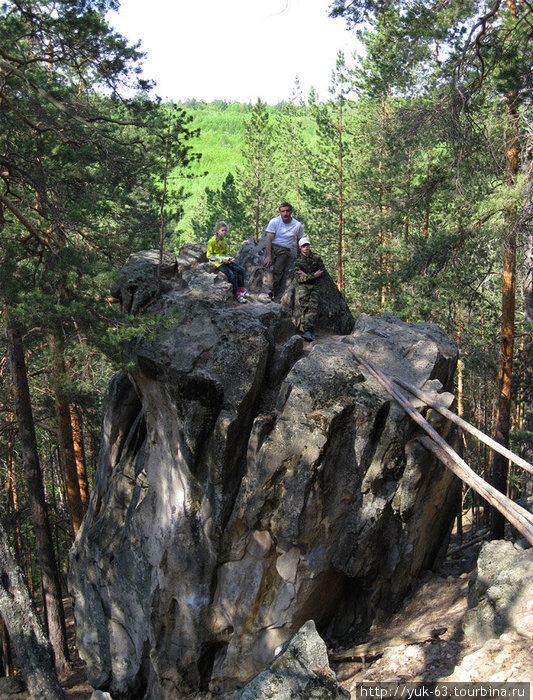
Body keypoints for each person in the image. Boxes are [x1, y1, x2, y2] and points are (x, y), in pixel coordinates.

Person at [263, 202, 304, 299]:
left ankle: (274, 292)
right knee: (267, 266)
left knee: (278, 270)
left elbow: (299, 240)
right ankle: (267, 290)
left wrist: (299, 256)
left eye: (287, 211)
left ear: (291, 211)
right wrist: (268, 256)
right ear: (280, 212)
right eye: (283, 211)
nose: (285, 213)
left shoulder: (297, 225)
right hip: (273, 246)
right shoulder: (275, 222)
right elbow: (268, 239)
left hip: (285, 249)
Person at [207, 221, 248, 303]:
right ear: (217, 231)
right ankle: (237, 295)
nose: (224, 232)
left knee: (240, 269)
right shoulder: (211, 241)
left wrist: (228, 258)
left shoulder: (224, 241)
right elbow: (209, 255)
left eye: (225, 230)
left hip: (225, 261)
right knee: (230, 274)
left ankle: (242, 290)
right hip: (217, 262)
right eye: (222, 230)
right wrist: (221, 260)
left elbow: (225, 253)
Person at [293, 236, 325, 342]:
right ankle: (307, 331)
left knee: (313, 308)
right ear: (300, 247)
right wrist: (313, 275)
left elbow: (322, 272)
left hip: (315, 286)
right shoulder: (297, 261)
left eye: (307, 245)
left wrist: (306, 275)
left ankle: (308, 331)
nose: (306, 247)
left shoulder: (316, 258)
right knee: (304, 307)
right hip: (303, 286)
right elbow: (299, 279)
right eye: (303, 246)